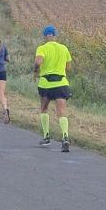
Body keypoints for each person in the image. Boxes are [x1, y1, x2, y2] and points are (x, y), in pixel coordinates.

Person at [34, 24, 73, 152]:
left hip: (46, 83)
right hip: (61, 83)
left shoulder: (42, 48)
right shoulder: (64, 48)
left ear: (45, 36)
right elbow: (69, 67)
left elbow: (38, 62)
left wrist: (35, 71)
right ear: (55, 35)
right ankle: (65, 136)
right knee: (62, 111)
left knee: (44, 108)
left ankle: (46, 136)